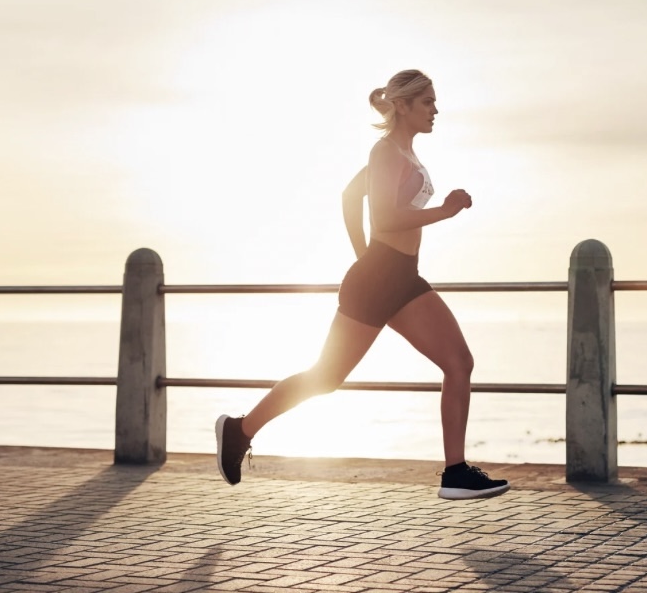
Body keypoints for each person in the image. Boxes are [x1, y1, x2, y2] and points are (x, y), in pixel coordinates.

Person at [215, 69, 509, 500]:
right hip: (379, 279)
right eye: (427, 102)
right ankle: (239, 430)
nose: (435, 109)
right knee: (325, 377)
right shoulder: (385, 151)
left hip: (401, 277)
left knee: (459, 362)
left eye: (434, 101)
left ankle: (455, 472)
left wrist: (365, 256)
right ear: (403, 106)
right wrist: (441, 213)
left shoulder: (404, 153)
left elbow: (351, 197)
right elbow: (384, 218)